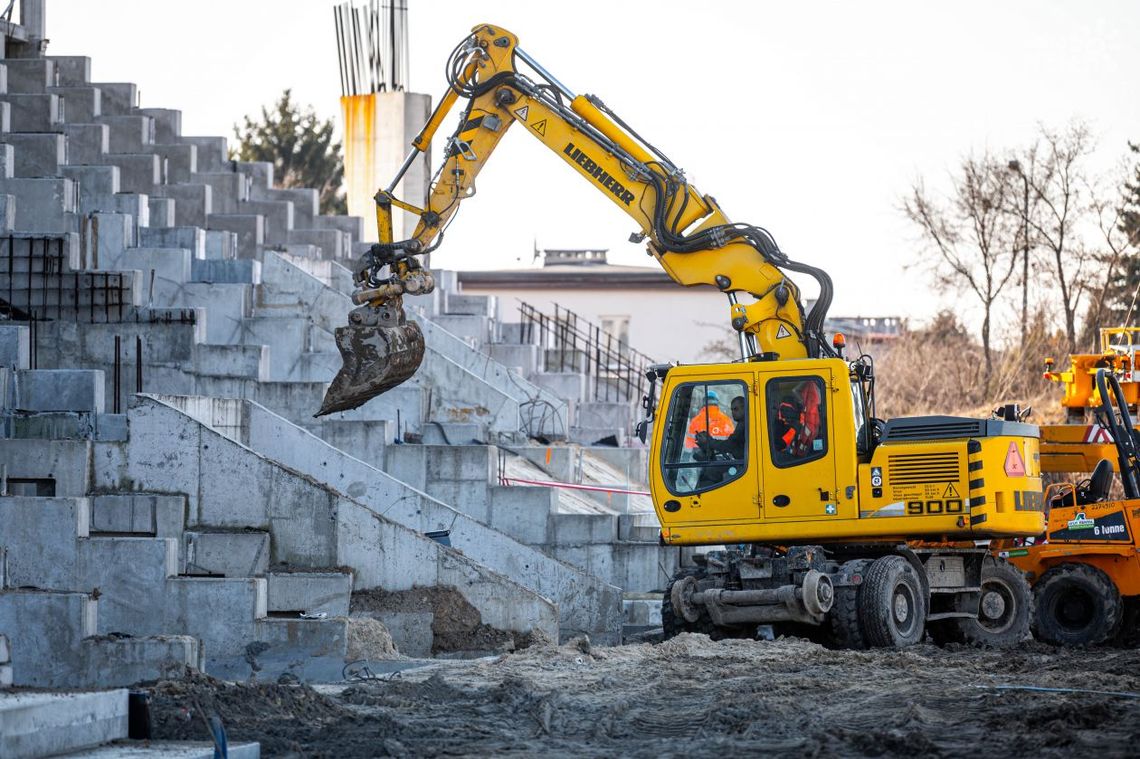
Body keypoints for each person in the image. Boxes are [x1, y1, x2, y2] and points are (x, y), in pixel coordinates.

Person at [695, 396, 746, 461]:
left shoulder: (744, 425)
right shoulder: (740, 423)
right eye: (732, 410)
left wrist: (709, 441)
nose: (733, 412)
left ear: (745, 408)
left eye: (736, 409)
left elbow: (730, 445)